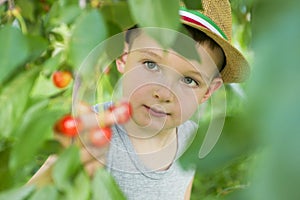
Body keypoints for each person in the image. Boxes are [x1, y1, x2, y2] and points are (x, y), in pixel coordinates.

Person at [28, 0, 250, 199]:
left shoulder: (190, 138)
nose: (164, 92)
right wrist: (61, 168)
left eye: (189, 80)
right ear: (124, 58)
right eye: (151, 65)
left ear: (209, 92)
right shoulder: (95, 131)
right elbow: (31, 193)